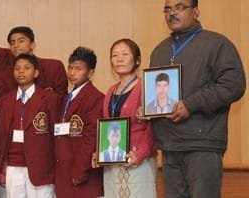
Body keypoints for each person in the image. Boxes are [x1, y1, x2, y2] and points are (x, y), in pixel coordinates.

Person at [149, 0, 246, 197]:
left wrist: (191, 104)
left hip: (202, 145)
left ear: (196, 11)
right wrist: (147, 108)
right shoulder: (159, 51)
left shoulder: (217, 43)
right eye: (167, 9)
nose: (172, 13)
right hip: (170, 147)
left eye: (179, 7)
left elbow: (234, 85)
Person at [92, 38, 158, 198]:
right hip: (112, 162)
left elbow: (155, 126)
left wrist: (140, 153)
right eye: (114, 55)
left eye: (124, 54)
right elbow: (107, 126)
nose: (119, 59)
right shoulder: (110, 91)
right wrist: (99, 152)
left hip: (137, 160)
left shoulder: (146, 87)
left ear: (137, 60)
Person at [0, 54, 59, 198]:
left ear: (36, 73)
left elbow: (56, 137)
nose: (21, 72)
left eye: (26, 68)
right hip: (13, 166)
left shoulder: (49, 99)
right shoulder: (4, 101)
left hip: (41, 167)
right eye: (17, 68)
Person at [53, 47, 104, 197]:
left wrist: (80, 170)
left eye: (78, 69)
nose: (72, 73)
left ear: (90, 73)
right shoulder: (66, 98)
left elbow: (92, 137)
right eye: (70, 67)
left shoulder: (95, 98)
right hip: (63, 173)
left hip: (82, 175)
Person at [7, 26, 68, 96]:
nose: (16, 45)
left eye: (21, 41)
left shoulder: (53, 67)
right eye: (12, 43)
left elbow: (62, 99)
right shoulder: (7, 73)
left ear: (32, 45)